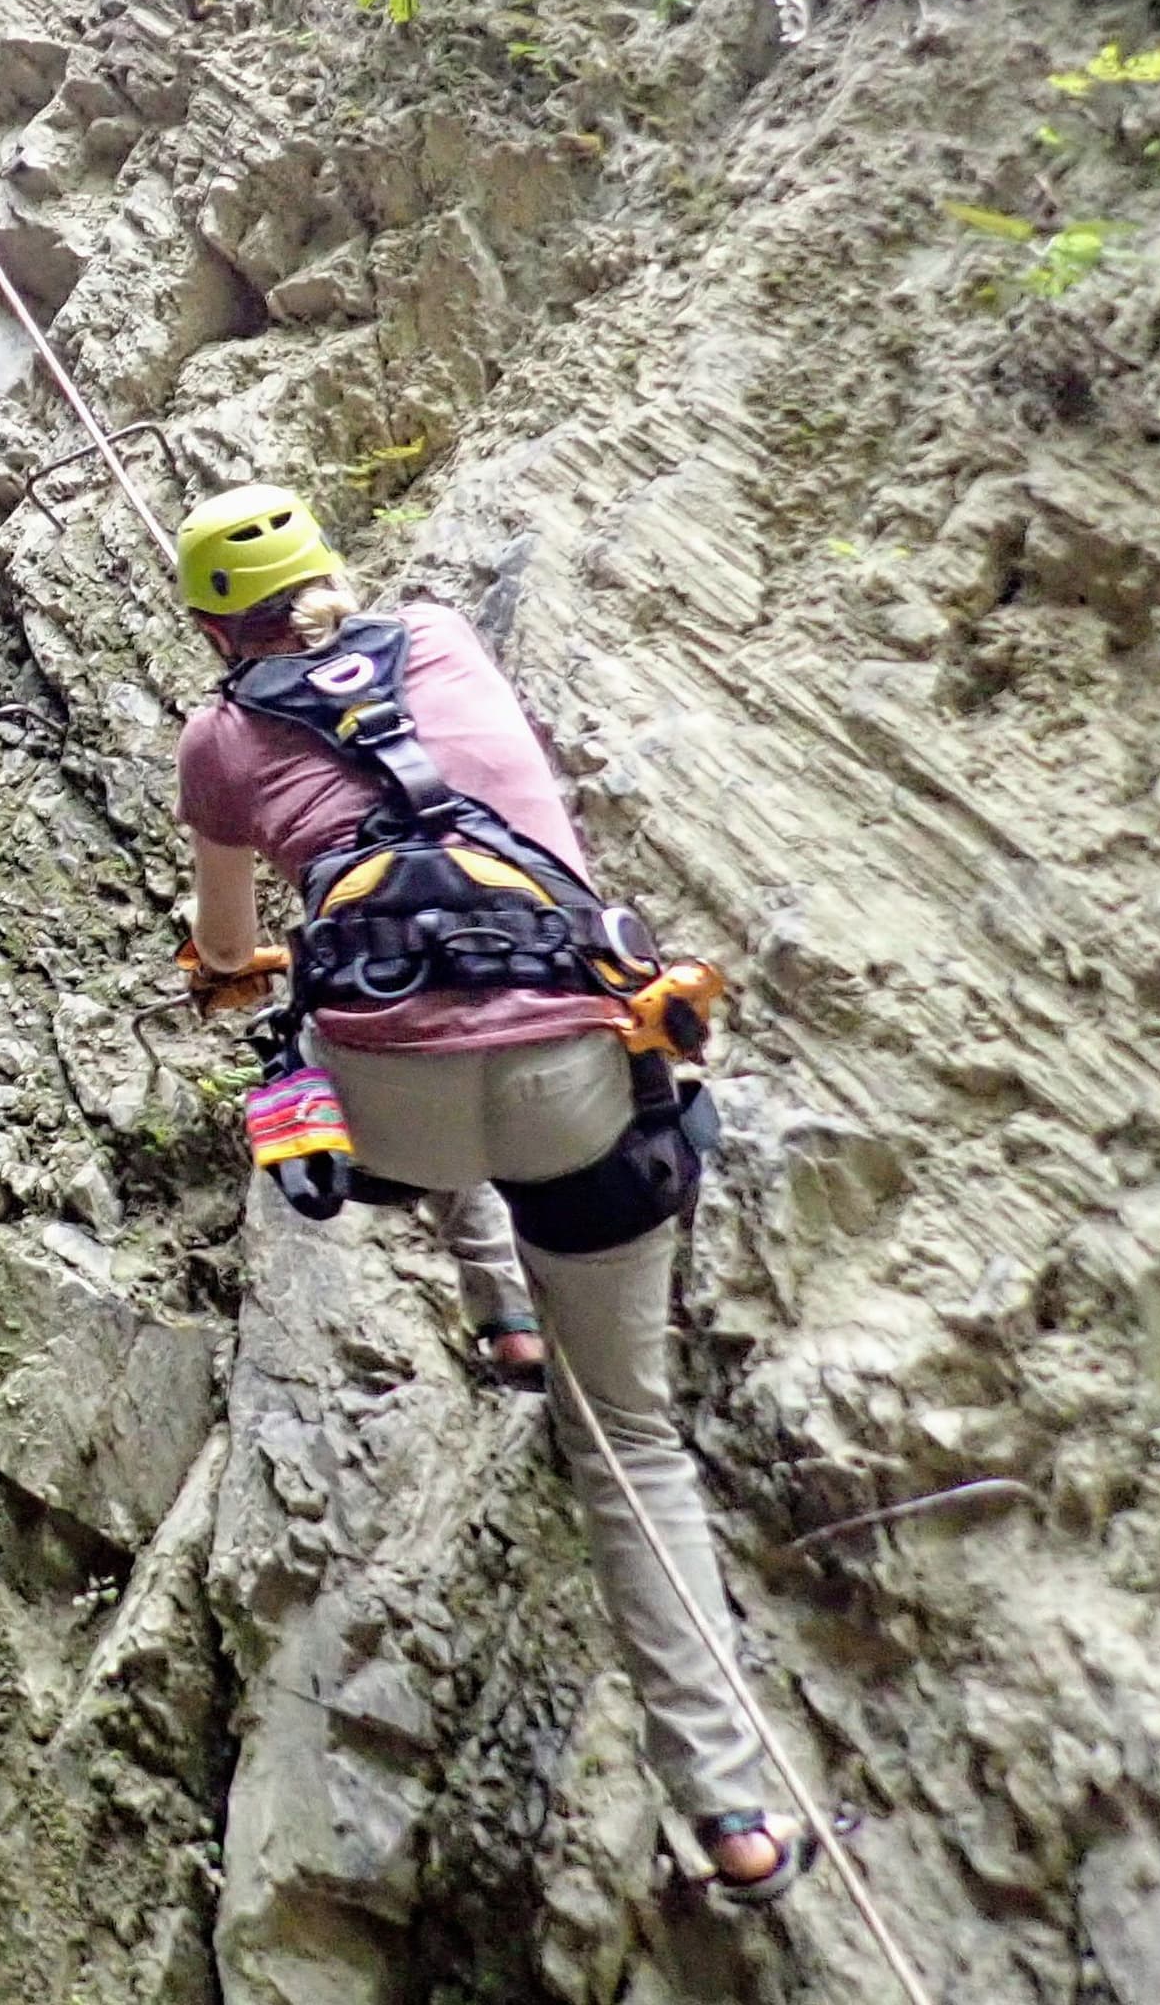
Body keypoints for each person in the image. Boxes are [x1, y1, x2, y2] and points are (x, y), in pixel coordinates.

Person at [168, 483, 803, 1906]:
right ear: (330, 578)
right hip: (580, 1084)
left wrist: (240, 964)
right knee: (630, 1439)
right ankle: (732, 1812)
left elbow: (225, 948)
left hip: (394, 1123)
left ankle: (492, 1302)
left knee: (339, 1038)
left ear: (213, 626)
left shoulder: (219, 739)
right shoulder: (444, 638)